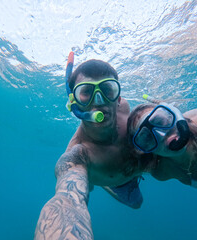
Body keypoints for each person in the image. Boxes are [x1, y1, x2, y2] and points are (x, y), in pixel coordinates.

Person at [34, 54, 145, 240]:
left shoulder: (125, 108)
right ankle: (100, 182)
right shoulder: (77, 155)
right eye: (86, 92)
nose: (99, 101)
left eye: (108, 90)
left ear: (118, 98)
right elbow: (67, 201)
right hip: (118, 180)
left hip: (136, 169)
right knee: (136, 203)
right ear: (74, 103)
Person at [127, 101, 197, 188]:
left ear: (175, 115)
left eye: (160, 121)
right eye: (147, 137)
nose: (162, 135)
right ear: (146, 149)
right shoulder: (161, 171)